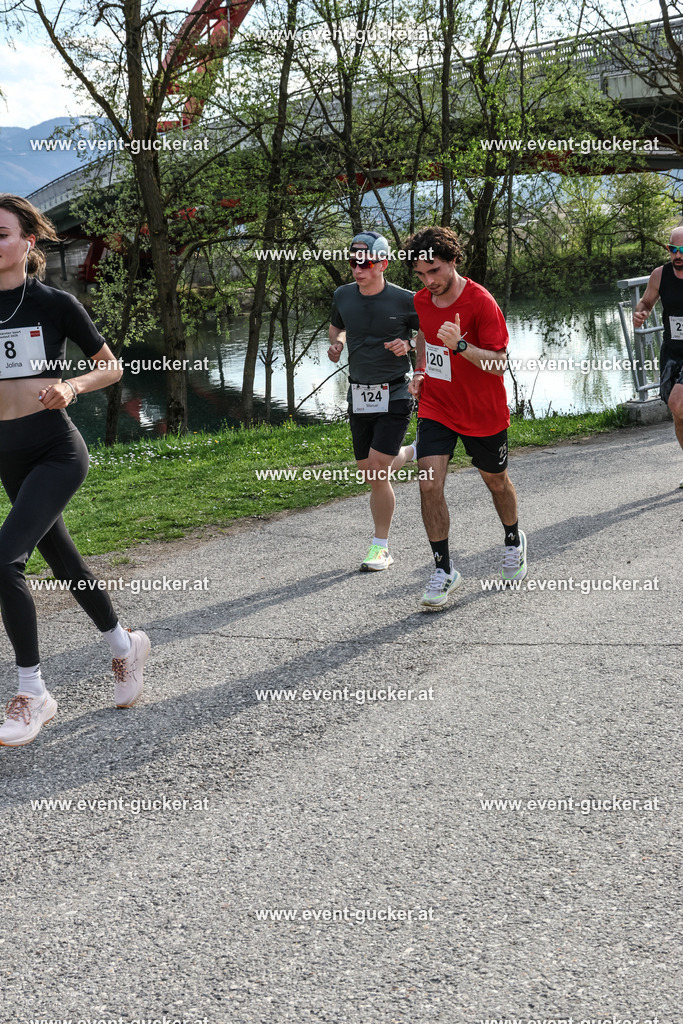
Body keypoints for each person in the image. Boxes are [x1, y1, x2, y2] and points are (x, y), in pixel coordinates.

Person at [0, 194, 150, 747]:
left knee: (3, 560)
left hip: (56, 450)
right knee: (63, 561)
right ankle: (124, 644)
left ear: (27, 241)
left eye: (0, 234)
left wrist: (71, 386)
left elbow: (110, 368)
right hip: (7, 453)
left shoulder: (55, 303)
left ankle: (33, 692)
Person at [404, 225, 527, 610]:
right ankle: (444, 570)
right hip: (438, 406)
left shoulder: (481, 302)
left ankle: (513, 539)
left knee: (496, 482)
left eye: (434, 270)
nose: (428, 281)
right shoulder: (422, 300)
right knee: (428, 484)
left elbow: (498, 364)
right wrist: (420, 371)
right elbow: (424, 335)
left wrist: (459, 345)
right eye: (421, 275)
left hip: (482, 411)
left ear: (454, 260)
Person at [328, 230, 419, 571]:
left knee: (378, 471)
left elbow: (428, 332)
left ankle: (380, 547)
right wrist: (338, 343)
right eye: (353, 262)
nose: (357, 269)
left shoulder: (406, 299)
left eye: (365, 263)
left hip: (396, 391)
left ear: (383, 264)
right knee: (369, 472)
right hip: (359, 393)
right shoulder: (342, 295)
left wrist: (409, 345)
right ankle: (411, 452)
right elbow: (337, 327)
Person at [633, 226, 683, 486]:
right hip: (672, 352)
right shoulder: (660, 275)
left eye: (682, 250)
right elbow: (647, 302)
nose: (678, 255)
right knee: (678, 413)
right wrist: (641, 312)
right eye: (673, 249)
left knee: (677, 402)